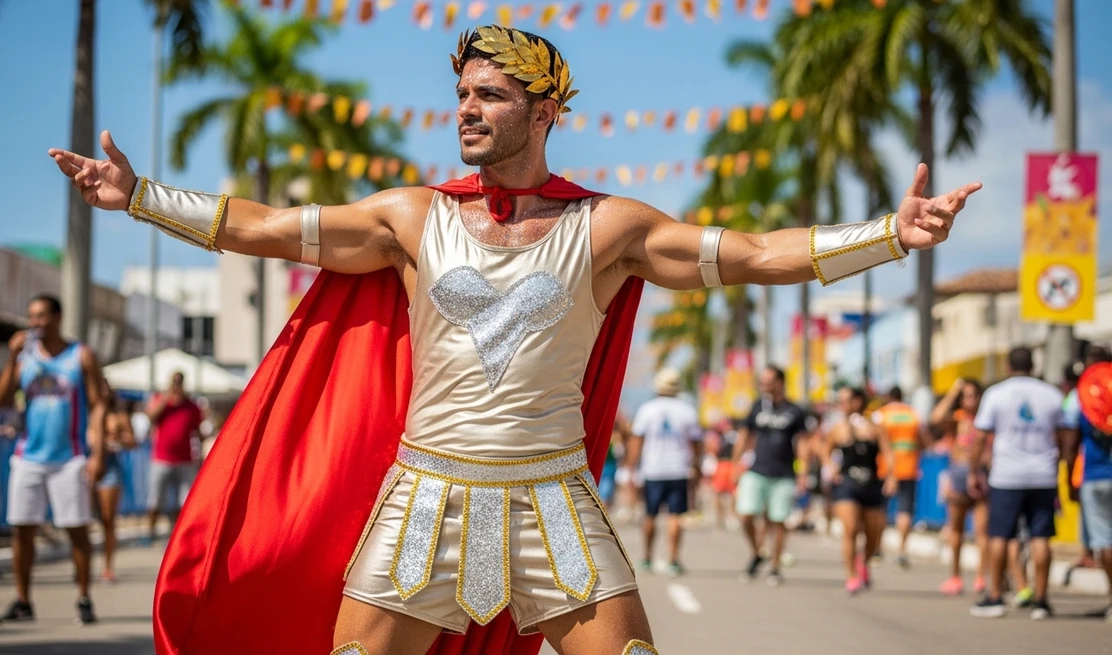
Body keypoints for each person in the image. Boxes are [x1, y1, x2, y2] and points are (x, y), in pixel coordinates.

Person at [50, 24, 981, 654]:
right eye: (461, 92)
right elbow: (265, 226)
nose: (466, 108)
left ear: (543, 113)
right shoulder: (410, 217)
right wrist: (140, 197)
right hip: (423, 498)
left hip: (554, 504)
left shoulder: (607, 227)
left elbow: (753, 253)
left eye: (489, 95)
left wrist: (891, 235)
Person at [0, 295, 107, 626]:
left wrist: (97, 453)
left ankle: (83, 597)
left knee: (76, 530)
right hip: (28, 457)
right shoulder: (25, 358)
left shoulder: (80, 355)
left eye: (41, 316)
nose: (35, 323)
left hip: (69, 459)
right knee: (22, 530)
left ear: (57, 317)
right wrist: (11, 358)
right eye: (31, 316)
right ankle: (23, 601)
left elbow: (98, 403)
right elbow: (0, 399)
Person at [969, 347, 1073, 621]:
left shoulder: (996, 394)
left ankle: (995, 596)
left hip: (1006, 476)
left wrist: (973, 470)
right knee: (1041, 537)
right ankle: (1041, 600)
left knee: (1000, 536)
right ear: (1033, 366)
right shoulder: (1051, 394)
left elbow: (979, 437)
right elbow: (1063, 436)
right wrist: (1060, 464)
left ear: (1008, 366)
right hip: (1043, 475)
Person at [733, 365, 812, 586]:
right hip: (756, 470)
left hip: (784, 474)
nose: (764, 385)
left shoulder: (794, 410)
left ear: (780, 382)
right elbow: (744, 435)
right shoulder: (757, 406)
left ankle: (775, 567)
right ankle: (758, 552)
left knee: (778, 521)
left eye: (768, 381)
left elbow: (803, 442)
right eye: (762, 381)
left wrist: (803, 472)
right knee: (745, 515)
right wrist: (735, 464)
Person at [624, 369, 702, 576]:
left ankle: (647, 556)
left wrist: (630, 467)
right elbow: (696, 443)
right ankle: (673, 559)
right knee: (675, 515)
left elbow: (637, 441)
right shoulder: (687, 410)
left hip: (653, 469)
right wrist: (696, 466)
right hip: (678, 469)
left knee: (650, 514)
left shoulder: (647, 409)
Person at [823, 387, 897, 594]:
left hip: (871, 483)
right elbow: (825, 450)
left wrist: (892, 476)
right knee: (851, 529)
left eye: (846, 401)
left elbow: (889, 453)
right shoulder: (838, 428)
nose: (842, 405)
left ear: (858, 401)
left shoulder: (875, 428)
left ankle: (863, 562)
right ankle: (851, 576)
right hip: (847, 484)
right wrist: (830, 467)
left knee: (873, 535)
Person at [931, 377, 989, 596]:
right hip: (958, 474)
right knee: (956, 529)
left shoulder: (986, 419)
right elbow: (936, 417)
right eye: (966, 396)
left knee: (983, 531)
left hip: (982, 475)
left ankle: (981, 576)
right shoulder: (957, 419)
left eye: (974, 395)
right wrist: (953, 391)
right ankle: (955, 576)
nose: (970, 399)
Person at [1064, 356, 1112, 620]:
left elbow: (1071, 443)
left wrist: (1069, 479)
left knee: (1105, 541)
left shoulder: (1080, 396)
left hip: (1095, 475)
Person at [144, 371, 203, 545]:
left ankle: (178, 534)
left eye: (179, 382)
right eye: (175, 382)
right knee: (155, 499)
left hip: (184, 460)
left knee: (184, 501)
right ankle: (150, 532)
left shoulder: (191, 406)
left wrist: (201, 456)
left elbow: (197, 432)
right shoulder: (161, 400)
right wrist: (165, 398)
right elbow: (150, 417)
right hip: (161, 459)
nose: (177, 385)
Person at [871, 386, 926, 569]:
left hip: (884, 468)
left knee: (880, 510)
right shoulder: (913, 414)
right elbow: (923, 439)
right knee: (905, 511)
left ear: (888, 397)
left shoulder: (881, 415)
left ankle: (877, 548)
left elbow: (874, 440)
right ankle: (902, 551)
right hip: (909, 467)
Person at [94, 378, 136, 583]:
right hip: (81, 466)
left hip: (109, 468)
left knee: (107, 519)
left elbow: (132, 441)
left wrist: (116, 439)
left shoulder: (119, 416)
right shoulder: (82, 411)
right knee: (80, 521)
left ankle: (107, 566)